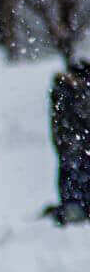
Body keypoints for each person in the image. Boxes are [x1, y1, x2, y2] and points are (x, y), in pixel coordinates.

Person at [51, 54, 90, 223]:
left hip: (77, 148)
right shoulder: (64, 93)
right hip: (73, 149)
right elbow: (60, 126)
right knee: (73, 172)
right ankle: (73, 208)